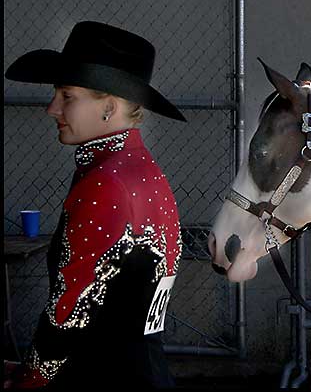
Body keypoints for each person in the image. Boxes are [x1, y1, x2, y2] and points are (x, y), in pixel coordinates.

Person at [4, 21, 187, 389]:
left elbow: (69, 314)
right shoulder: (143, 169)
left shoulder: (106, 182)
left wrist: (27, 379)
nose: (52, 108)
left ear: (109, 106)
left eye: (67, 95)